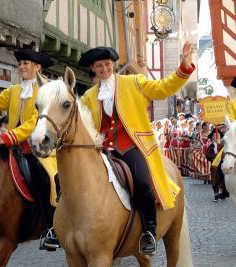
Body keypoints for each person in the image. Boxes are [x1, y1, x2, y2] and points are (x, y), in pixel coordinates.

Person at [79, 43, 195, 254]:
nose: (104, 69)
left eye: (107, 64)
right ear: (93, 69)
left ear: (113, 64)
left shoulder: (134, 82)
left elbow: (163, 87)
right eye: (99, 66)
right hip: (103, 150)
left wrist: (184, 68)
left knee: (141, 181)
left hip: (130, 146)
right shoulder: (88, 96)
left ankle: (149, 230)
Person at [0, 47, 60, 250]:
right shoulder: (15, 90)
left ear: (37, 67)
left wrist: (11, 136)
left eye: (25, 63)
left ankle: (51, 228)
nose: (21, 66)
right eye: (20, 64)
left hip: (39, 148)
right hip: (13, 147)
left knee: (43, 178)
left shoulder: (47, 89)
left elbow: (36, 120)